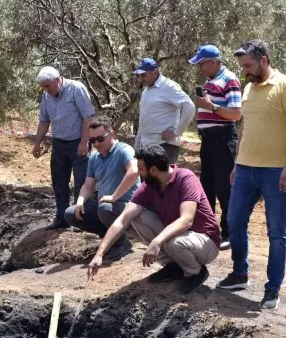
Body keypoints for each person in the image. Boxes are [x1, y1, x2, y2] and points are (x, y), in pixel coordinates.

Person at [217, 40, 286, 310]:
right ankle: (240, 274)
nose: (244, 71)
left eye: (248, 65)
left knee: (276, 232)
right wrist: (236, 163)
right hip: (245, 169)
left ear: (264, 60)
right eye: (242, 66)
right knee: (234, 223)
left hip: (275, 171)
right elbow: (246, 127)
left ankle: (272, 289)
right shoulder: (247, 88)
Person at [87, 144, 220, 295]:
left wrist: (157, 241)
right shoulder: (149, 186)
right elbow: (122, 220)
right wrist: (99, 254)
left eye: (141, 169)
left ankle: (196, 272)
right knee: (137, 216)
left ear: (153, 170)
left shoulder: (186, 178)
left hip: (206, 242)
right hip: (178, 238)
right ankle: (173, 266)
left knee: (173, 243)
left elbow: (186, 220)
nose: (139, 173)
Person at [189, 45, 243, 251]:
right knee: (207, 187)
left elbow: (236, 114)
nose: (200, 68)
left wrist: (210, 106)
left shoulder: (229, 80)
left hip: (223, 140)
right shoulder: (209, 82)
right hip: (208, 141)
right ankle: (209, 231)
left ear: (213, 62)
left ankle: (229, 232)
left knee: (225, 188)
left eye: (201, 63)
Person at [64, 117, 140, 260]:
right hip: (104, 206)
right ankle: (109, 236)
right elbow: (88, 185)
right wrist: (80, 202)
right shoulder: (94, 157)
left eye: (100, 138)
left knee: (105, 208)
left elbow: (134, 171)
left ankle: (121, 243)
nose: (96, 144)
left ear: (112, 134)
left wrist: (114, 197)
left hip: (126, 206)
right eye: (92, 140)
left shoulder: (124, 150)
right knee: (71, 213)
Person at [32, 66, 97, 230]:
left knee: (81, 182)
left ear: (57, 80)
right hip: (59, 143)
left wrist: (84, 142)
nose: (45, 89)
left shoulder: (76, 89)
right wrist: (37, 143)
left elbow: (88, 118)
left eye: (48, 85)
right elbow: (44, 121)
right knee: (59, 182)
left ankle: (79, 219)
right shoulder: (47, 96)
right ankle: (62, 218)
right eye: (43, 87)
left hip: (78, 142)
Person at [133, 58, 195, 164]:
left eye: (143, 75)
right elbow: (144, 118)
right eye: (138, 76)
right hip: (146, 145)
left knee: (163, 180)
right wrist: (137, 144)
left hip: (164, 146)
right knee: (147, 180)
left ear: (155, 72)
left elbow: (189, 107)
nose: (140, 79)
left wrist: (177, 132)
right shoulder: (146, 91)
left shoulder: (169, 87)